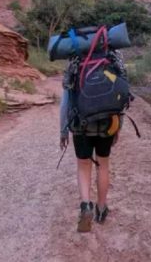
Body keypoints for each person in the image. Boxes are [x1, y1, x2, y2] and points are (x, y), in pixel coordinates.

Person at [59, 49, 127, 233]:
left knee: (83, 165)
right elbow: (121, 96)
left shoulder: (75, 59)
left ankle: (85, 206)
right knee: (103, 165)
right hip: (107, 123)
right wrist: (118, 127)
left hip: (80, 123)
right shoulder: (114, 57)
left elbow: (66, 101)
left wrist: (63, 130)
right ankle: (102, 209)